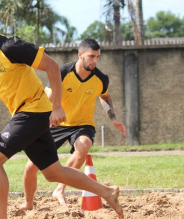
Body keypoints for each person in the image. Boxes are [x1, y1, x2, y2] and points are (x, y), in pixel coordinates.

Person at [0, 3, 124, 219]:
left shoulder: (11, 46)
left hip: (34, 110)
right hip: (23, 113)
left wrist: (57, 107)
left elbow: (53, 66)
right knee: (53, 172)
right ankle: (107, 192)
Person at [20, 38, 127, 210]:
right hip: (56, 123)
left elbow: (105, 96)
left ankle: (59, 190)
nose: (95, 61)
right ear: (80, 55)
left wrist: (114, 118)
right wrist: (37, 124)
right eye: (91, 56)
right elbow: (46, 98)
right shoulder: (62, 72)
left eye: (97, 57)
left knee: (84, 145)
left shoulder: (101, 78)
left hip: (82, 125)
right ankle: (28, 204)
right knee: (31, 166)